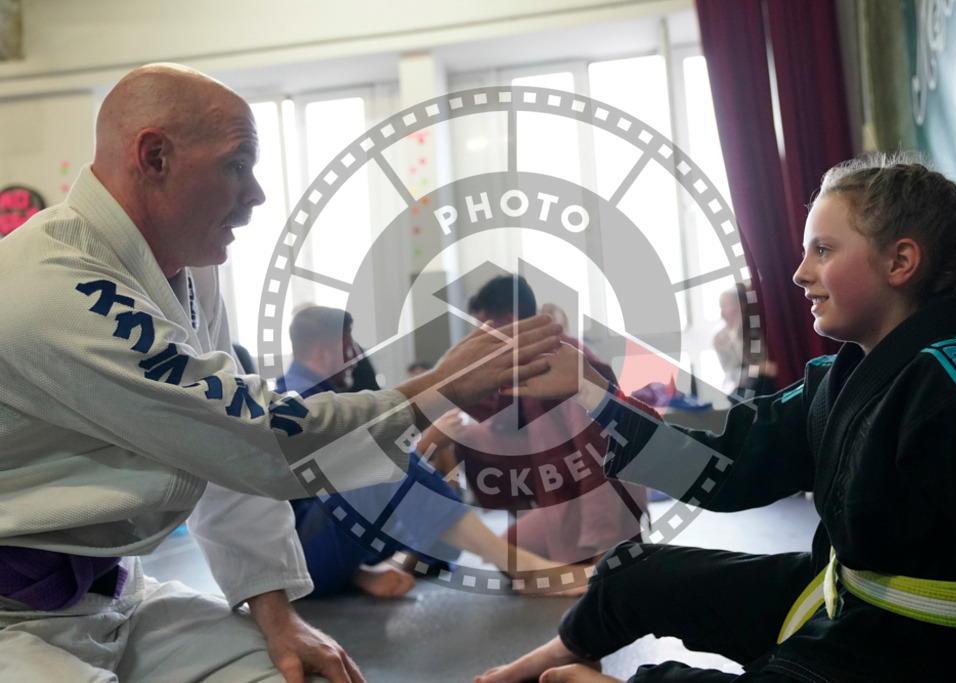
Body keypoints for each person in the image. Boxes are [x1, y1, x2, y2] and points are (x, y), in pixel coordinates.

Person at [0, 63, 562, 683]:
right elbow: (256, 439)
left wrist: (275, 614)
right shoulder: (48, 285)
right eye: (237, 165)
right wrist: (436, 389)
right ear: (154, 157)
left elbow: (222, 457)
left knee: (304, 674)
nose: (256, 193)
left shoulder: (186, 270)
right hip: (11, 621)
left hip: (117, 597)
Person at [477, 156, 956, 682]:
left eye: (823, 250)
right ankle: (564, 652)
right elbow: (729, 458)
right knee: (630, 572)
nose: (799, 273)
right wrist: (592, 394)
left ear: (900, 262)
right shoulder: (836, 379)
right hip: (839, 598)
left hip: (914, 645)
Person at [276, 305, 578, 598]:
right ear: (321, 353)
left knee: (443, 530)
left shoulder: (325, 399)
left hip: (332, 537)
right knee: (382, 457)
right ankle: (522, 568)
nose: (356, 358)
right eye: (349, 349)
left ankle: (368, 572)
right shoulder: (294, 405)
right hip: (301, 557)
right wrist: (428, 440)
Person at [452, 275, 647, 566]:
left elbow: (599, 457)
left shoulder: (571, 363)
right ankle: (548, 530)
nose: (481, 340)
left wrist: (602, 546)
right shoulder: (524, 362)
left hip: (600, 504)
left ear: (509, 320)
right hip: (559, 492)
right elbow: (500, 419)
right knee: (506, 555)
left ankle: (595, 550)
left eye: (485, 330)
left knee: (526, 564)